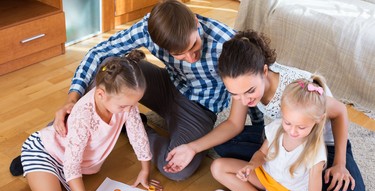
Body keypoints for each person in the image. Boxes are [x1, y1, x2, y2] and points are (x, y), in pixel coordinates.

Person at [8, 0, 241, 181]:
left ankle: (134, 129)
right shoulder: (149, 29)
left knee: (179, 171)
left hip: (199, 107)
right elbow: (98, 53)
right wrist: (73, 98)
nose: (191, 59)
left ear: (196, 23)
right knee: (108, 66)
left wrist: (194, 147)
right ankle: (48, 147)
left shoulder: (227, 43)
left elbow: (248, 100)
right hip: (164, 84)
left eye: (194, 46)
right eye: (179, 54)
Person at [164, 30, 366, 191]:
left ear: (264, 71)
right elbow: (234, 124)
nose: (243, 99)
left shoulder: (297, 89)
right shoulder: (243, 84)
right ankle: (275, 183)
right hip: (283, 137)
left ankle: (290, 187)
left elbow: (339, 111)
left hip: (320, 145)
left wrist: (340, 164)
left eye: (249, 91)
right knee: (223, 144)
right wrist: (192, 147)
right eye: (235, 94)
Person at [1, 52, 162, 191]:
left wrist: (145, 170)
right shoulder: (83, 115)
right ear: (101, 94)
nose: (130, 110)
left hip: (68, 161)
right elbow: (71, 165)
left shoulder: (124, 103)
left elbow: (137, 134)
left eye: (133, 104)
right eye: (124, 106)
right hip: (46, 152)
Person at [209, 77, 328, 191]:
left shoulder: (316, 152)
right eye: (288, 122)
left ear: (318, 120)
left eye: (301, 127)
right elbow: (262, 153)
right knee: (217, 167)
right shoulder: (277, 127)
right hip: (264, 176)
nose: (292, 131)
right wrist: (250, 166)